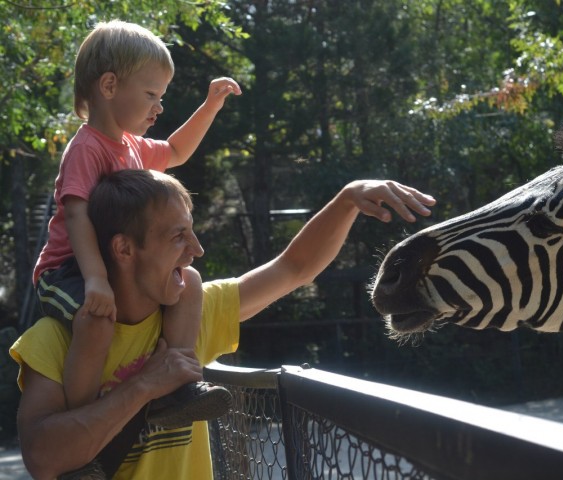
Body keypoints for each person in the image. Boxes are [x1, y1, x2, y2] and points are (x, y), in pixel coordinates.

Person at [11, 169, 436, 479]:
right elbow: (43, 458)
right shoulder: (54, 338)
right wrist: (144, 386)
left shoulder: (191, 309)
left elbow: (293, 269)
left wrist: (346, 199)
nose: (196, 249)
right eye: (178, 236)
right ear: (124, 248)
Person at [32, 19, 242, 428]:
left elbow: (178, 150)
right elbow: (76, 215)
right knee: (95, 321)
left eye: (161, 96)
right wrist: (94, 279)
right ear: (109, 86)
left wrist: (210, 105)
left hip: (112, 266)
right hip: (67, 269)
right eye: (151, 94)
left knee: (192, 283)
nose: (159, 107)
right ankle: (84, 423)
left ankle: (179, 385)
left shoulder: (131, 146)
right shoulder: (86, 148)